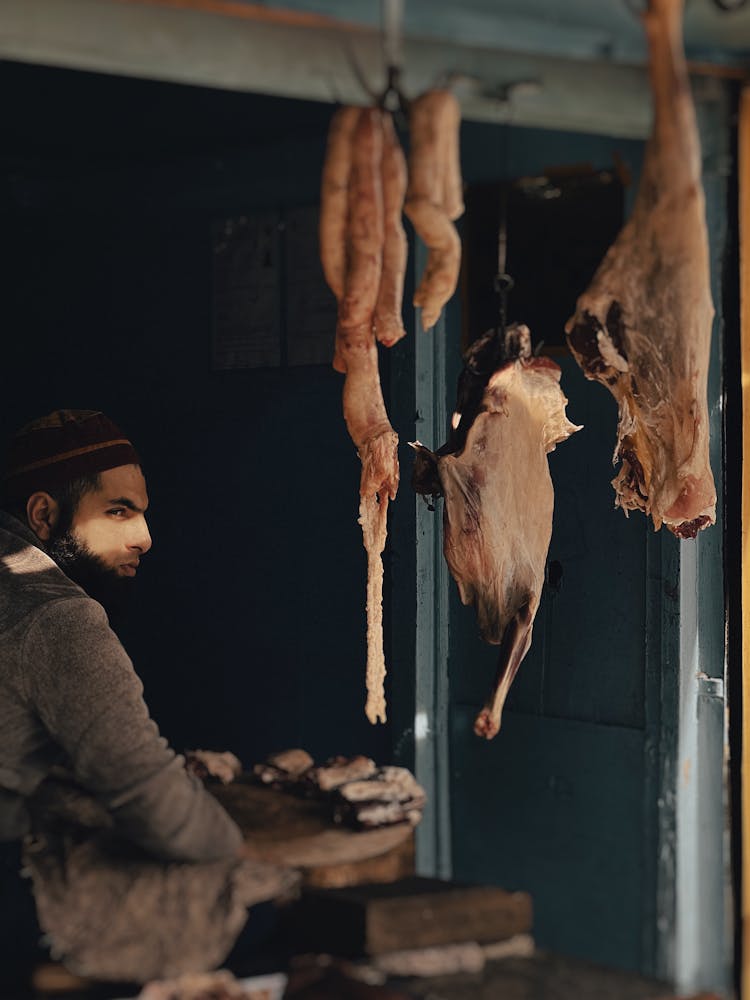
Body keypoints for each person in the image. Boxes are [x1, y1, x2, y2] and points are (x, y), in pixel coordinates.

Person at [0, 409, 289, 989]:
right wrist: (246, 853)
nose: (145, 537)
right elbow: (146, 795)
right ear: (43, 514)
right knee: (267, 913)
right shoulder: (58, 616)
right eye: (117, 511)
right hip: (11, 884)